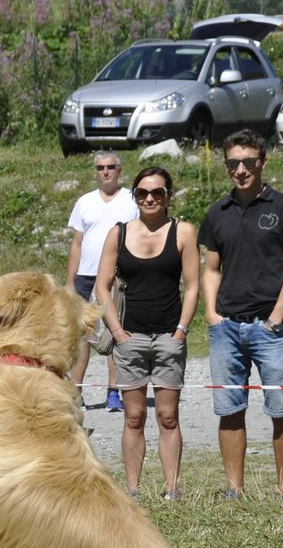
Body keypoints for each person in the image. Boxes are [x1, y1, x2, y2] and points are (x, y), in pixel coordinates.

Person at [200, 129, 283, 499]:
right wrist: (212, 315)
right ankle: (234, 488)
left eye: (249, 162)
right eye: (233, 163)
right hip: (227, 329)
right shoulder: (217, 213)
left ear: (262, 163)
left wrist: (276, 319)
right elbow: (211, 269)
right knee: (229, 409)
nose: (241, 170)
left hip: (271, 327)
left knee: (282, 409)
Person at [94, 166, 199, 499]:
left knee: (168, 416)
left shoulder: (183, 232)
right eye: (143, 193)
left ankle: (172, 487)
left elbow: (194, 285)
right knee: (134, 416)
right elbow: (101, 285)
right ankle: (133, 489)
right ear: (134, 196)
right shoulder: (119, 233)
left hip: (169, 336)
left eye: (157, 192)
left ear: (168, 195)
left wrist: (181, 331)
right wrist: (117, 331)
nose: (150, 198)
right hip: (131, 337)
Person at [67, 150, 138, 411]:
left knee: (115, 332)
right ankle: (76, 392)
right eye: (100, 168)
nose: (105, 172)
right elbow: (77, 243)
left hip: (117, 275)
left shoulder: (132, 199)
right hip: (86, 276)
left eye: (110, 167)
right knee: (82, 336)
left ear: (119, 170)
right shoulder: (84, 201)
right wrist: (70, 281)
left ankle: (114, 392)